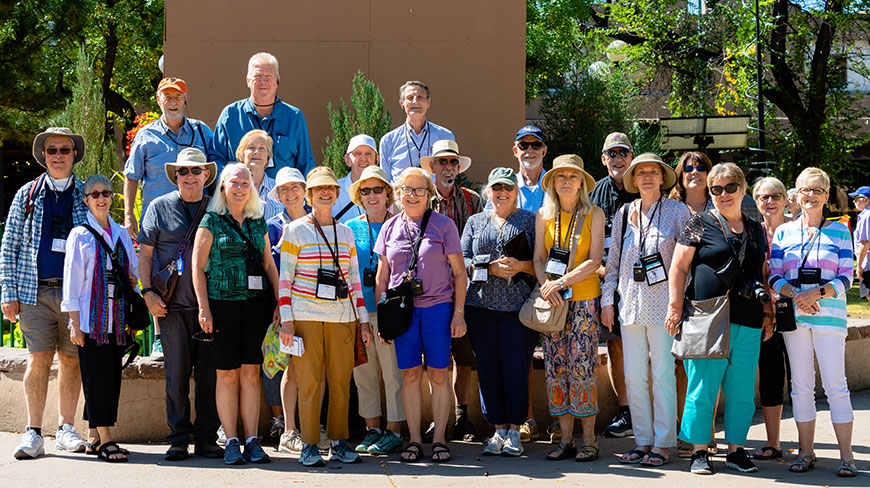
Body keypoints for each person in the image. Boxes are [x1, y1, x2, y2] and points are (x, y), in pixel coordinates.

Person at [665, 163, 773, 475]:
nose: (723, 195)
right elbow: (678, 267)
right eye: (716, 189)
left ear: (743, 190)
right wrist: (675, 306)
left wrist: (767, 313)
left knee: (741, 391)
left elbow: (761, 273)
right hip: (706, 317)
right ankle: (700, 451)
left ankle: (737, 450)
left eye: (729, 188)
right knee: (702, 387)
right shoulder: (698, 223)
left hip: (748, 318)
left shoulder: (755, 228)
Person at [278, 166, 374, 467]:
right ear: (309, 195)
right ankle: (308, 444)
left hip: (342, 318)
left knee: (341, 383)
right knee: (309, 382)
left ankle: (338, 442)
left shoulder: (345, 233)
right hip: (305, 316)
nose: (325, 193)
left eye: (330, 188)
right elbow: (285, 279)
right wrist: (287, 319)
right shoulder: (295, 230)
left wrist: (363, 320)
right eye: (319, 189)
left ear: (337, 193)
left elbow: (355, 280)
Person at [2, 127, 88, 459]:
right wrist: (8, 291)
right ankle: (33, 432)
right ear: (43, 156)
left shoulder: (85, 193)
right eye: (51, 150)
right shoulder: (26, 194)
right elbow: (8, 247)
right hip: (33, 291)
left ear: (74, 155)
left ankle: (66, 429)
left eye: (64, 150)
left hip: (74, 296)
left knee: (71, 361)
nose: (58, 156)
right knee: (38, 360)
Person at [374, 167, 467, 463]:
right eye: (407, 190)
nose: (412, 196)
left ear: (429, 195)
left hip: (438, 310)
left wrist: (459, 314)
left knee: (439, 375)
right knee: (410, 375)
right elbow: (381, 277)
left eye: (419, 191)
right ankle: (414, 440)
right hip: (403, 313)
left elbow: (460, 274)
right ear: (398, 193)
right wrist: (383, 318)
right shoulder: (389, 228)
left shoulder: (444, 225)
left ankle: (439, 438)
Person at [768, 168, 857, 478]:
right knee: (801, 387)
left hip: (829, 318)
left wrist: (817, 293)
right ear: (797, 194)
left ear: (826, 195)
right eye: (806, 189)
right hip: (796, 318)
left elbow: (848, 275)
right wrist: (796, 294)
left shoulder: (840, 231)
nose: (811, 195)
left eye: (818, 190)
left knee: (836, 386)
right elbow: (774, 276)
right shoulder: (783, 232)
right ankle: (806, 452)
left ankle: (847, 457)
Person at [602, 153, 688, 467]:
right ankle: (642, 441)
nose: (648, 177)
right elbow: (612, 263)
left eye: (653, 172)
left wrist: (678, 304)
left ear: (663, 178)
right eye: (642, 173)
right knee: (634, 376)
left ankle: (663, 443)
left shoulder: (678, 212)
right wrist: (607, 300)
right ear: (634, 180)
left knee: (663, 374)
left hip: (664, 307)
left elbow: (686, 263)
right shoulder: (624, 213)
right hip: (630, 307)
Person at [137, 147, 222, 461]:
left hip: (208, 307)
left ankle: (207, 439)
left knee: (209, 376)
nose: (189, 176)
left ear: (205, 175)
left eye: (195, 171)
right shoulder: (158, 207)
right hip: (171, 308)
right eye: (183, 171)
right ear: (175, 176)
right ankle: (178, 439)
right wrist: (147, 292)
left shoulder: (217, 209)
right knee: (175, 376)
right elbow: (145, 254)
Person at [192, 163, 280, 465]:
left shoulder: (258, 222)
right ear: (223, 187)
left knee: (251, 374)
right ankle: (231, 440)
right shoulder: (211, 221)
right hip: (222, 307)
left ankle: (253, 440)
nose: (241, 187)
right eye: (235, 183)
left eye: (246, 183)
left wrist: (281, 301)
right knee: (227, 375)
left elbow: (269, 264)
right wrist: (204, 308)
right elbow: (197, 267)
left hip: (256, 307)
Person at [125, 77, 214, 360]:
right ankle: (162, 337)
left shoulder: (201, 131)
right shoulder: (146, 136)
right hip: (160, 219)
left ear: (186, 99)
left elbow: (217, 167)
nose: (173, 101)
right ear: (158, 100)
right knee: (160, 275)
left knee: (199, 271)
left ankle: (204, 326)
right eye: (167, 96)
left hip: (198, 216)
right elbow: (131, 178)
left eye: (178, 96)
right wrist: (129, 216)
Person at [62, 174, 139, 462]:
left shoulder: (120, 233)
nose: (101, 197)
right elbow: (72, 282)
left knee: (109, 378)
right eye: (94, 194)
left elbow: (132, 272)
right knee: (96, 379)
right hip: (91, 321)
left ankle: (94, 437)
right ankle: (107, 440)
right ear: (86, 200)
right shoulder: (80, 234)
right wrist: (75, 323)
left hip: (117, 320)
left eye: (106, 192)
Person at [461, 167, 537, 456]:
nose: (501, 193)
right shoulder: (475, 221)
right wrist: (488, 267)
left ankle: (516, 430)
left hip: (517, 307)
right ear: (488, 191)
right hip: (480, 305)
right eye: (496, 188)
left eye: (507, 187)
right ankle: (497, 430)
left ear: (516, 190)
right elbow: (463, 258)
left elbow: (540, 260)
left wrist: (521, 266)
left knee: (516, 367)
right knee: (488, 368)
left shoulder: (529, 220)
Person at [533, 154, 605, 462]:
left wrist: (560, 282)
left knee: (583, 366)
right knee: (556, 368)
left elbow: (595, 260)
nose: (566, 180)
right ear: (552, 182)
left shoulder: (595, 213)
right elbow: (538, 257)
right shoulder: (543, 214)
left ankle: (589, 439)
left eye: (572, 176)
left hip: (583, 299)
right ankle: (564, 439)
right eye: (560, 176)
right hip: (554, 302)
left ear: (581, 183)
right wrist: (546, 285)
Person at [422, 139, 482, 441]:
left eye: (452, 162)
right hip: (430, 291)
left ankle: (462, 416)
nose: (448, 167)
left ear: (458, 167)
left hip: (463, 288)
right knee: (435, 359)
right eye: (442, 162)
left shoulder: (472, 200)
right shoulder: (420, 198)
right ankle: (439, 418)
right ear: (432, 167)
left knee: (464, 356)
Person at [346, 166, 405, 456]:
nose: (372, 195)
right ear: (359, 195)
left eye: (377, 189)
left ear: (388, 193)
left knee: (393, 372)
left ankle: (394, 431)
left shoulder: (400, 224)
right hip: (358, 311)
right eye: (365, 190)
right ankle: (372, 429)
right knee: (363, 372)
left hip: (390, 310)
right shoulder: (349, 228)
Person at [667, 151, 718, 457]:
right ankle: (685, 432)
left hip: (708, 300)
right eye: (688, 168)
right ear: (680, 174)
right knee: (679, 368)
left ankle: (706, 433)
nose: (694, 172)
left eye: (701, 167)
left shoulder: (719, 207)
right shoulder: (671, 209)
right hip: (673, 298)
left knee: (707, 367)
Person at [589, 132, 636, 439]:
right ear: (604, 159)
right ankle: (625, 411)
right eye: (612, 154)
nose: (618, 159)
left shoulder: (644, 184)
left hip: (643, 282)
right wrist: (605, 269)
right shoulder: (595, 192)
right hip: (607, 280)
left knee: (650, 348)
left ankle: (653, 410)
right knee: (615, 346)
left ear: (631, 156)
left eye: (623, 153)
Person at [213, 52, 315, 178]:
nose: (263, 81)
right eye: (257, 76)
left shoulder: (294, 117)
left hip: (282, 195)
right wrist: (230, 182)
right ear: (248, 81)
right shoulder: (230, 115)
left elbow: (305, 163)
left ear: (277, 81)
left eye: (268, 76)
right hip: (241, 193)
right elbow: (216, 159)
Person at [509, 125, 548, 442]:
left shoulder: (556, 184)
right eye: (524, 145)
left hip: (555, 282)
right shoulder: (506, 187)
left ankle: (566, 422)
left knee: (560, 353)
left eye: (536, 144)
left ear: (544, 150)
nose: (530, 150)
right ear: (515, 150)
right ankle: (528, 419)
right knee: (521, 356)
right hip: (516, 284)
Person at [264, 166, 308, 452]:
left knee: (315, 366)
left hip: (316, 305)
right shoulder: (271, 226)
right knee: (282, 365)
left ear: (305, 191)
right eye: (284, 190)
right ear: (277, 196)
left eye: (295, 188)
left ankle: (310, 422)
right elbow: (269, 266)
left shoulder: (319, 221)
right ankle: (284, 425)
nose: (290, 193)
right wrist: (278, 304)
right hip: (283, 306)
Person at [749, 177, 792, 462]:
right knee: (771, 376)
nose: (770, 201)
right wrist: (766, 314)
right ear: (755, 201)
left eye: (776, 195)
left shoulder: (799, 229)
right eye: (764, 197)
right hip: (767, 316)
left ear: (786, 199)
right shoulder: (752, 233)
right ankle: (773, 442)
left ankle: (807, 444)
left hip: (801, 313)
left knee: (802, 380)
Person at [379, 81, 454, 182]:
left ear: (428, 102)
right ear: (402, 104)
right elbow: (385, 182)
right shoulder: (388, 141)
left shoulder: (445, 136)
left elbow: (450, 173)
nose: (415, 101)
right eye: (410, 98)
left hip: (435, 197)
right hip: (401, 197)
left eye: (420, 97)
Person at [236, 129, 283, 220]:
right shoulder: (232, 188)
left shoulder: (279, 188)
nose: (257, 152)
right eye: (251, 147)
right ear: (241, 155)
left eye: (262, 148)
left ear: (268, 157)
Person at [333, 134, 378, 224]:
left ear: (377, 160)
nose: (364, 158)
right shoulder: (334, 190)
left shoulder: (385, 191)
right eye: (357, 153)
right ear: (348, 160)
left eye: (368, 153)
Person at [851, 186, 870, 303]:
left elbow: (865, 242)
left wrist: (859, 266)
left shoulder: (867, 215)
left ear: (867, 199)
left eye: (857, 197)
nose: (854, 201)